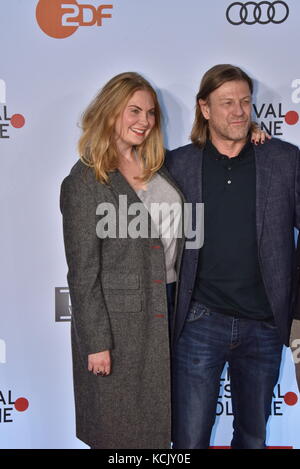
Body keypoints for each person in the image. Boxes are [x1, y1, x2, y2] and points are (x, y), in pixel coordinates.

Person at [165, 64, 300, 449]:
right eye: (227, 103)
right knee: (189, 440)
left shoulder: (284, 161)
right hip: (199, 322)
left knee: (253, 438)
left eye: (245, 102)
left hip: (264, 324)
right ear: (205, 109)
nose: (239, 111)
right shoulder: (178, 165)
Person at [60, 72, 185, 449]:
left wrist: (254, 137)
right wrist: (95, 342)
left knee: (159, 430)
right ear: (110, 111)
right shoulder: (84, 181)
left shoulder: (158, 169)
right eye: (134, 110)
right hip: (118, 325)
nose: (144, 121)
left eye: (150, 113)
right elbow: (83, 272)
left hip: (169, 309)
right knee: (120, 432)